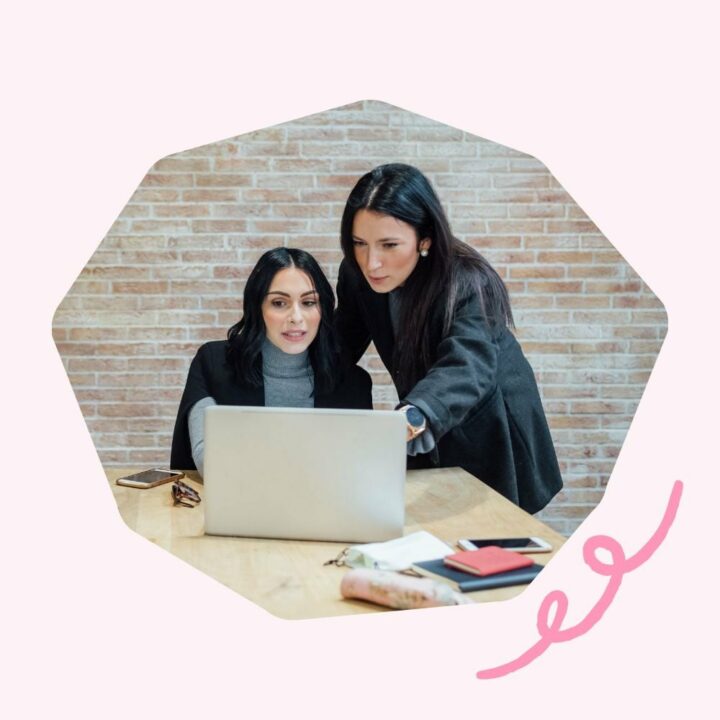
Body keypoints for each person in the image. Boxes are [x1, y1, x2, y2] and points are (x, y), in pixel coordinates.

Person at [335, 163, 562, 514]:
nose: (372, 263)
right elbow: (339, 345)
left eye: (389, 245)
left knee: (490, 536)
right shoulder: (356, 273)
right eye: (359, 243)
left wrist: (412, 417)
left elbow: (466, 365)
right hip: (425, 412)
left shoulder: (470, 281)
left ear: (424, 239)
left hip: (490, 419)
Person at [171, 247, 373, 474]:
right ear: (258, 307)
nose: (296, 318)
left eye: (308, 303)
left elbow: (356, 470)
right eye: (279, 303)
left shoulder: (354, 383)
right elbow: (208, 459)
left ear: (323, 309)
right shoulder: (213, 363)